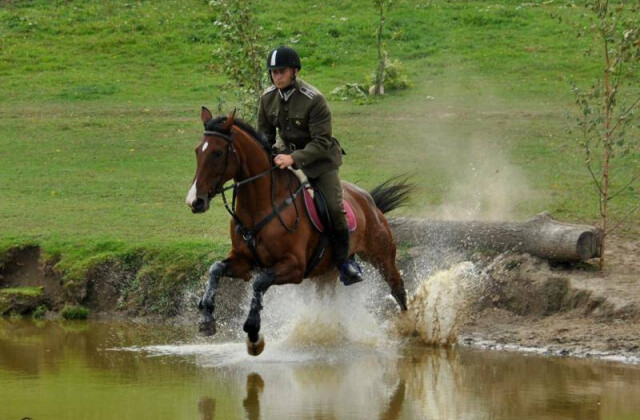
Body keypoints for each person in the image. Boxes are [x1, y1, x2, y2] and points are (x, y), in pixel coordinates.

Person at [257, 45, 363, 285]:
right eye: (273, 72)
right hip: (284, 158)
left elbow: (322, 142)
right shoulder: (267, 98)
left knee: (335, 210)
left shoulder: (313, 99)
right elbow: (265, 136)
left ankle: (346, 262)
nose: (277, 76)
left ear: (294, 71)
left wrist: (293, 159)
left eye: (281, 71)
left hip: (321, 162)